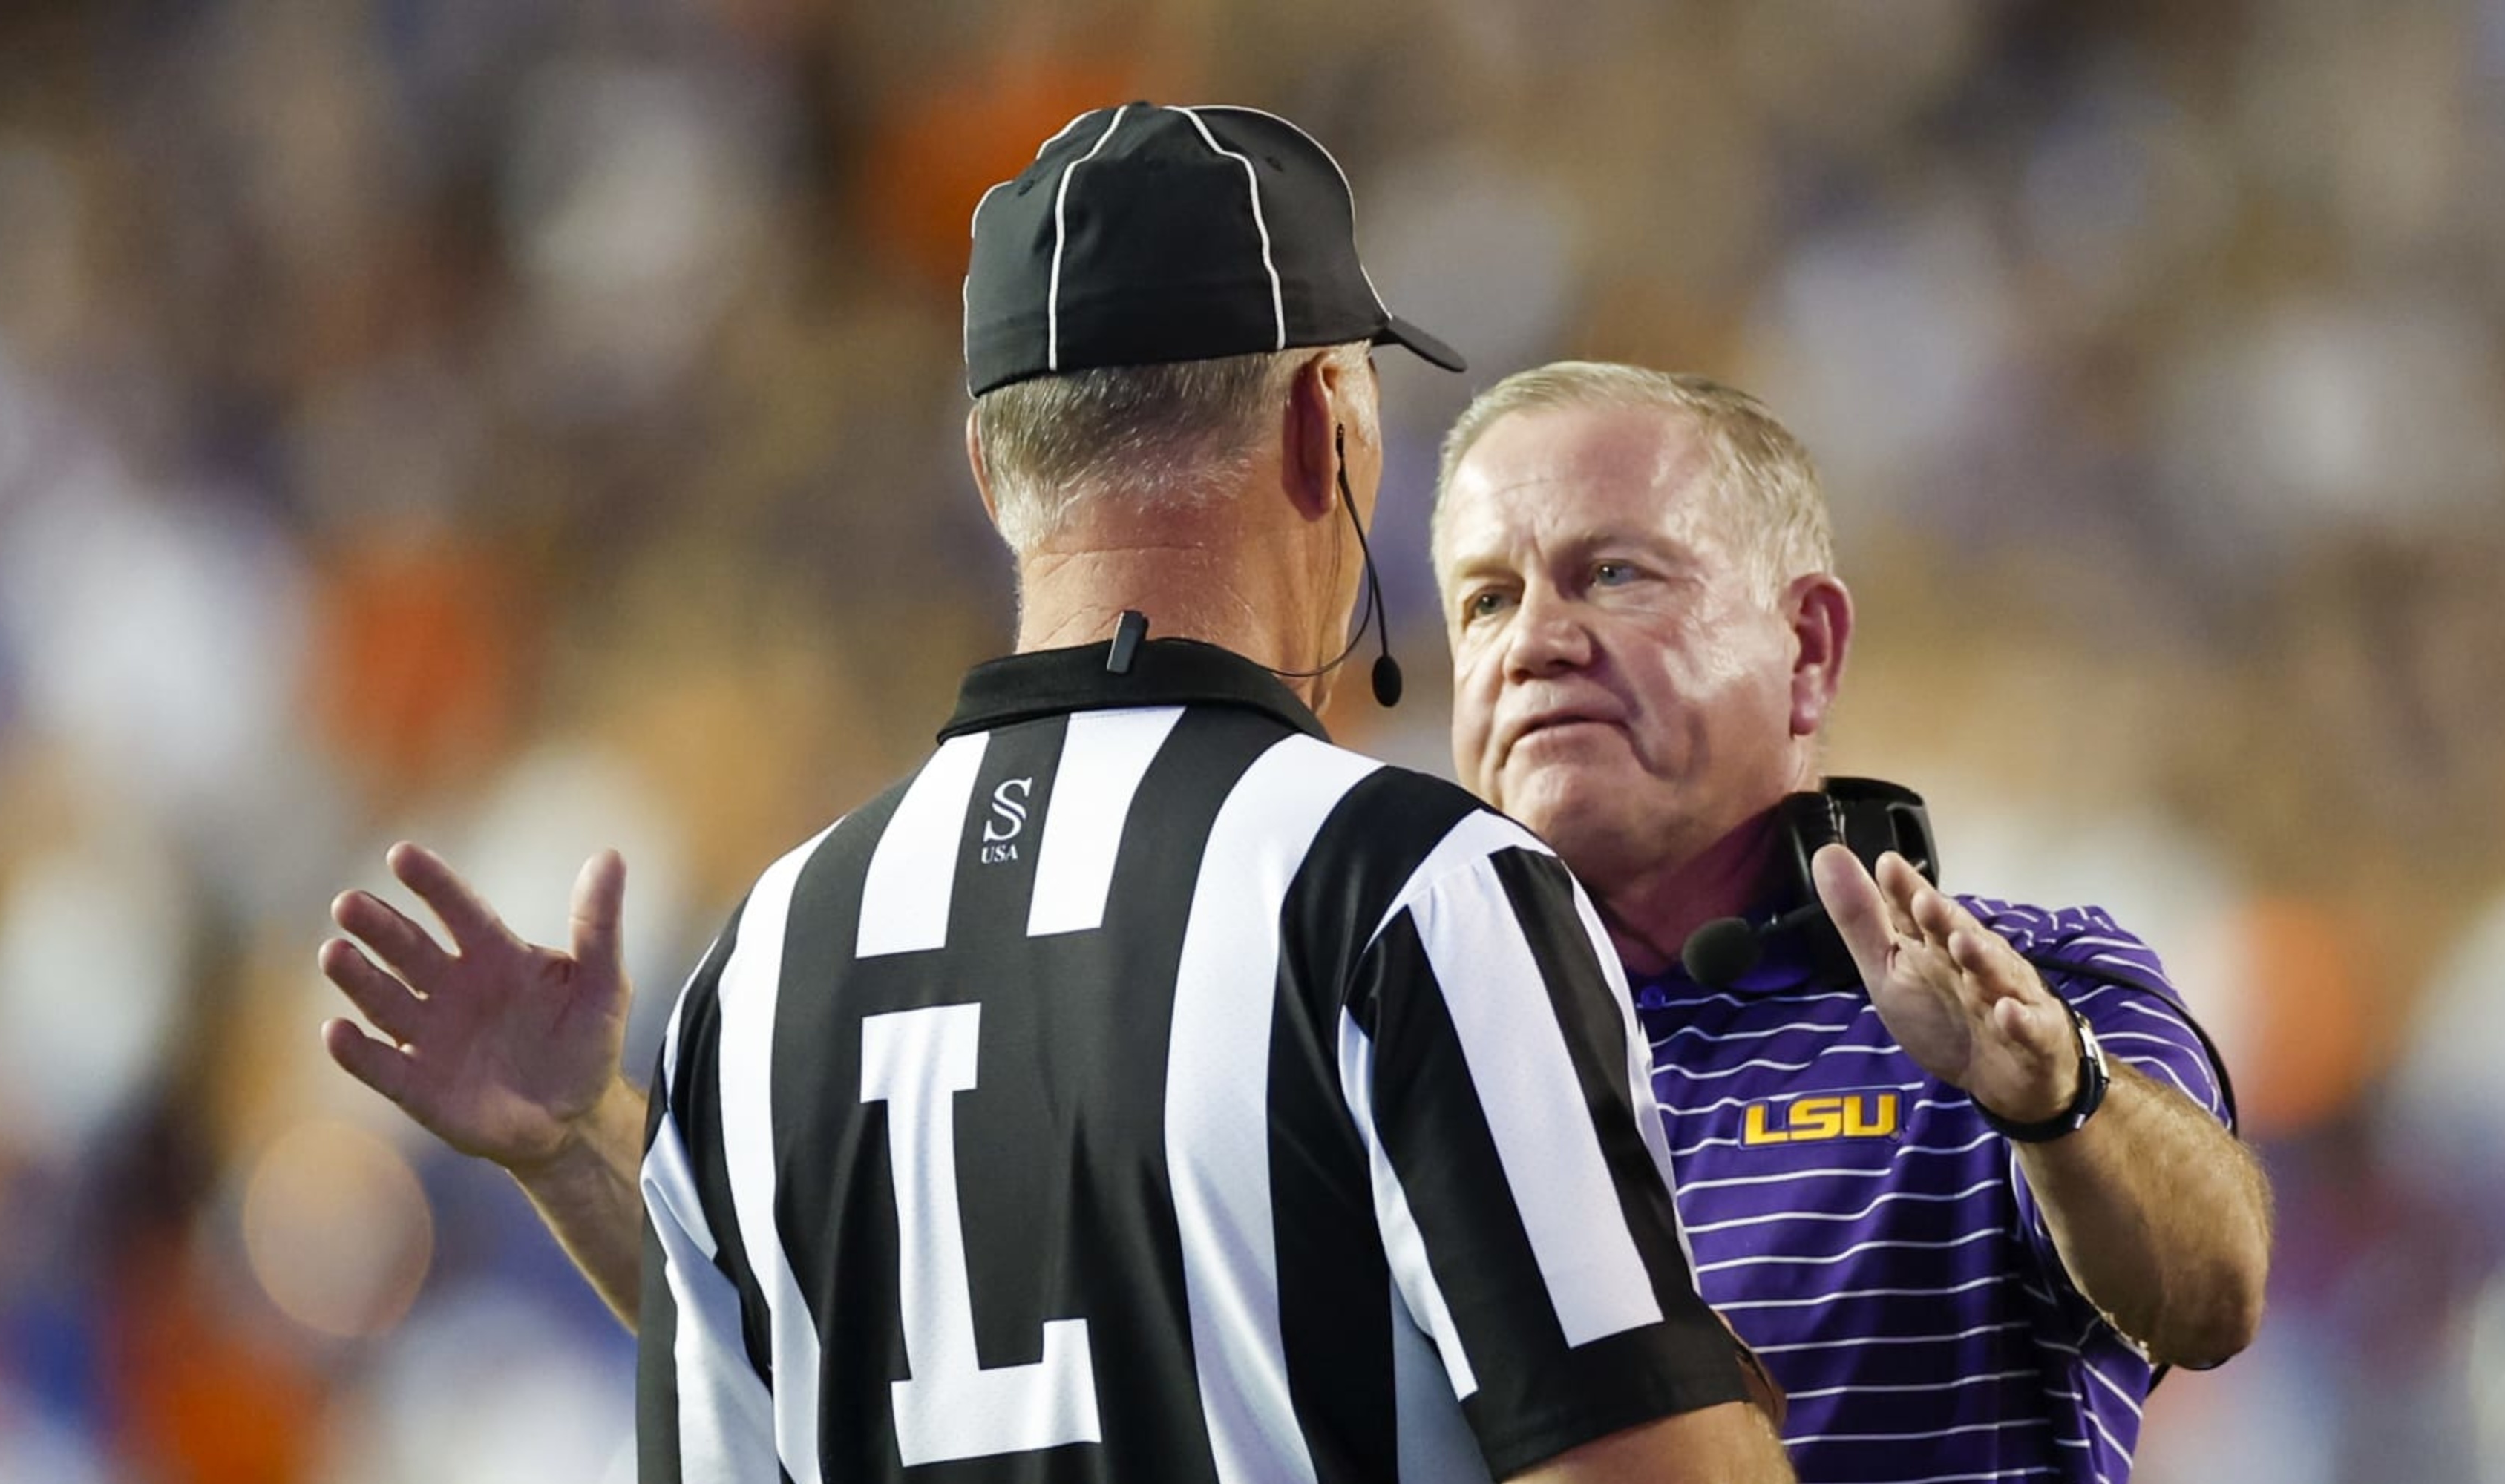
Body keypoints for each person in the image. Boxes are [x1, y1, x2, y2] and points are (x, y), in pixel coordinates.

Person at [318, 108, 1790, 1482]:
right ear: (1320, 425)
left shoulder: (763, 961)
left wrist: (581, 1150)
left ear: (990, 467)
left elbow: (822, 1394)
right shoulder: (1404, 887)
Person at [1430, 361, 2271, 1482]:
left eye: (1612, 573)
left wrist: (2060, 1101)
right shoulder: (1396, 1057)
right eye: (1486, 598)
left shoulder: (2008, 992)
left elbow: (2211, 1297)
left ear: (1808, 649)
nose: (1534, 640)